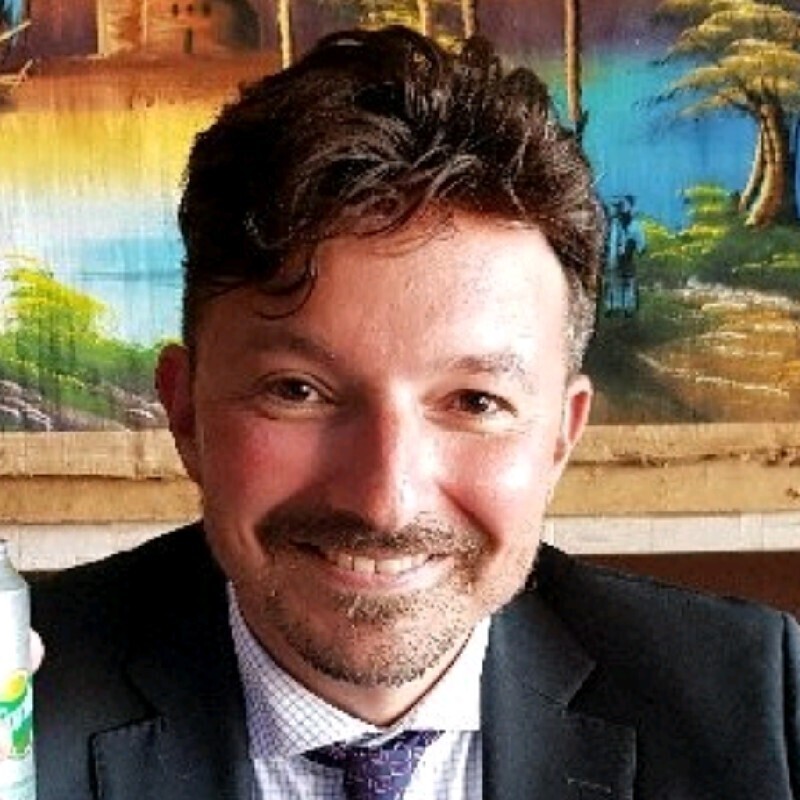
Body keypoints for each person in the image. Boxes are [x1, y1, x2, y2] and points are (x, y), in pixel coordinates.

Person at [31, 25, 799, 800]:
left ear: (561, 437)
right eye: (297, 391)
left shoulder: (755, 706)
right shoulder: (21, 701)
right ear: (186, 411)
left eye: (475, 402)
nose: (385, 501)